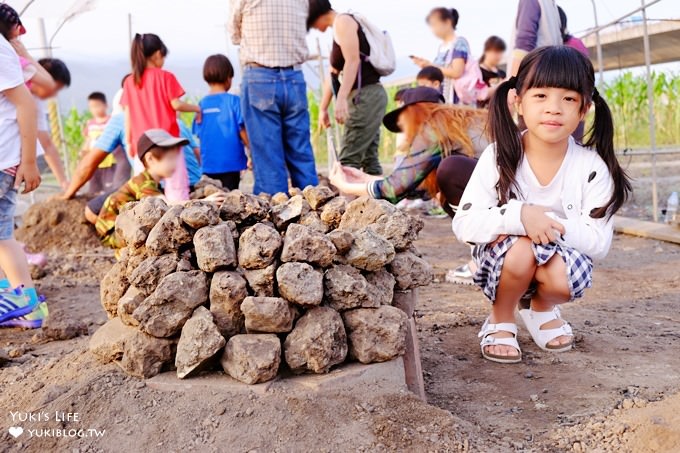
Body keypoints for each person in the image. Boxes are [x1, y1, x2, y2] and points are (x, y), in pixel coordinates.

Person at [452, 46, 632, 364]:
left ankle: (541, 308)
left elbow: (598, 242)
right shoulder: (498, 155)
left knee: (560, 275)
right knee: (521, 250)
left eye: (568, 99)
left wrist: (544, 221)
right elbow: (465, 223)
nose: (554, 109)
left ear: (584, 109)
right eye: (541, 96)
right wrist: (520, 216)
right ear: (519, 101)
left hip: (558, 257)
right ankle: (502, 314)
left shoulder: (591, 166)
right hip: (504, 257)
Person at [330, 87, 486, 215]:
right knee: (442, 183)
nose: (405, 131)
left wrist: (345, 186)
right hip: (503, 189)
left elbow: (396, 189)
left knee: (450, 171)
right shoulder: (457, 122)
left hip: (502, 192)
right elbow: (413, 186)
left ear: (414, 113)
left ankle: (485, 244)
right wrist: (364, 177)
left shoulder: (434, 124)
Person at [229, 0, 318, 195]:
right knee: (301, 151)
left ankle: (274, 216)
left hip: (260, 76)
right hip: (294, 76)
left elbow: (235, 35)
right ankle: (316, 209)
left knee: (268, 156)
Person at [0, 4, 44, 328]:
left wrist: (29, 161)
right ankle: (21, 302)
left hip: (4, 159)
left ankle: (24, 302)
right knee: (2, 233)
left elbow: (26, 103)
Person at [311, 0, 387, 177]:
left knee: (348, 159)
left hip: (366, 96)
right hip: (365, 96)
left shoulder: (343, 22)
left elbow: (353, 61)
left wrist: (341, 99)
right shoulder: (338, 29)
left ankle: (345, 203)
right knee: (369, 157)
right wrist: (323, 108)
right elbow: (333, 75)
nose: (313, 27)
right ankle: (378, 202)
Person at [121, 33, 199, 202]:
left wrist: (129, 142)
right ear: (157, 54)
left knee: (144, 193)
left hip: (142, 146)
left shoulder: (130, 81)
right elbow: (176, 105)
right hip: (167, 143)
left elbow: (127, 115)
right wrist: (196, 108)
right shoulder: (166, 77)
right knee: (177, 191)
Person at [86, 129, 187, 249]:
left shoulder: (151, 182)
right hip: (112, 230)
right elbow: (165, 205)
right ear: (150, 159)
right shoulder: (144, 183)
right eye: (171, 158)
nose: (175, 164)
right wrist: (201, 203)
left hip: (123, 226)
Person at [194, 54, 248, 190]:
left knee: (213, 201)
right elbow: (242, 131)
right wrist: (252, 151)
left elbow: (199, 135)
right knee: (231, 201)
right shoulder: (233, 101)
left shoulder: (201, 104)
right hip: (231, 165)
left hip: (209, 165)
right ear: (228, 77)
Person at [410, 8, 470, 104]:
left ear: (447, 22)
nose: (433, 29)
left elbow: (457, 72)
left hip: (457, 99)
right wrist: (427, 66)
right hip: (445, 97)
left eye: (434, 25)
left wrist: (431, 66)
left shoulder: (459, 43)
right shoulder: (442, 47)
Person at [509, 0, 562, 76]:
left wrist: (512, 82)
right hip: (546, 75)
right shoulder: (552, 6)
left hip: (534, 76)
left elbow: (524, 44)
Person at [82, 92, 116, 194]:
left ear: (105, 105)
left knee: (110, 190)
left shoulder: (112, 121)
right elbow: (88, 140)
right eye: (92, 107)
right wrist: (84, 152)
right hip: (94, 163)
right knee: (94, 191)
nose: (94, 109)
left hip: (110, 162)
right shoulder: (90, 124)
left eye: (97, 106)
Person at [477, 36, 506, 108]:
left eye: (501, 52)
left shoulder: (502, 74)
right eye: (496, 52)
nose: (499, 56)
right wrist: (502, 85)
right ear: (486, 51)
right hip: (481, 113)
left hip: (498, 114)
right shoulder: (477, 71)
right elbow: (479, 95)